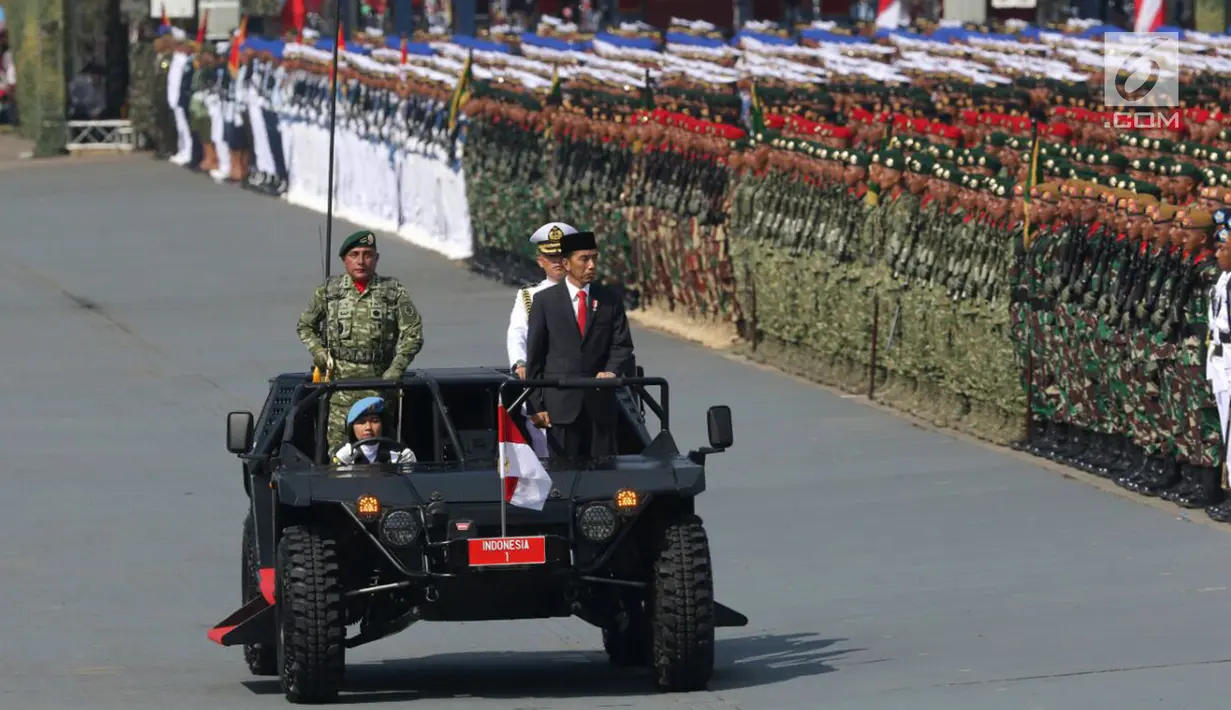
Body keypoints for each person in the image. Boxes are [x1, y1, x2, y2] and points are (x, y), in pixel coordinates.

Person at [297, 229, 425, 453]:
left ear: (376, 259)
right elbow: (305, 326)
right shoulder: (329, 292)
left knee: (383, 452)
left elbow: (413, 332)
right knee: (338, 454)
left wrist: (396, 369)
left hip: (380, 386)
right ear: (344, 260)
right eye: (354, 255)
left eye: (367, 254)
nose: (361, 261)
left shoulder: (392, 291)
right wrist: (319, 352)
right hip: (339, 389)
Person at [524, 229, 635, 460]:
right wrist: (536, 405)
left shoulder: (609, 300)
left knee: (605, 476)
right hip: (561, 408)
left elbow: (621, 344)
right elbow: (536, 356)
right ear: (566, 263)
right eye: (584, 259)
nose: (591, 265)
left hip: (600, 407)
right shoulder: (545, 302)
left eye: (594, 258)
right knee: (565, 478)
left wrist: (611, 371)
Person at [506, 222, 570, 456]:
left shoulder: (587, 294)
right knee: (544, 446)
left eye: (562, 255)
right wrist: (520, 362)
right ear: (540, 260)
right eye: (550, 256)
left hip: (578, 381)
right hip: (543, 382)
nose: (557, 262)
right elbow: (517, 332)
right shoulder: (529, 296)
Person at [332, 396, 417, 465]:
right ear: (352, 428)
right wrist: (337, 465)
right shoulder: (342, 452)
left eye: (375, 421)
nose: (368, 427)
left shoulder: (397, 450)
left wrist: (411, 467)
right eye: (361, 422)